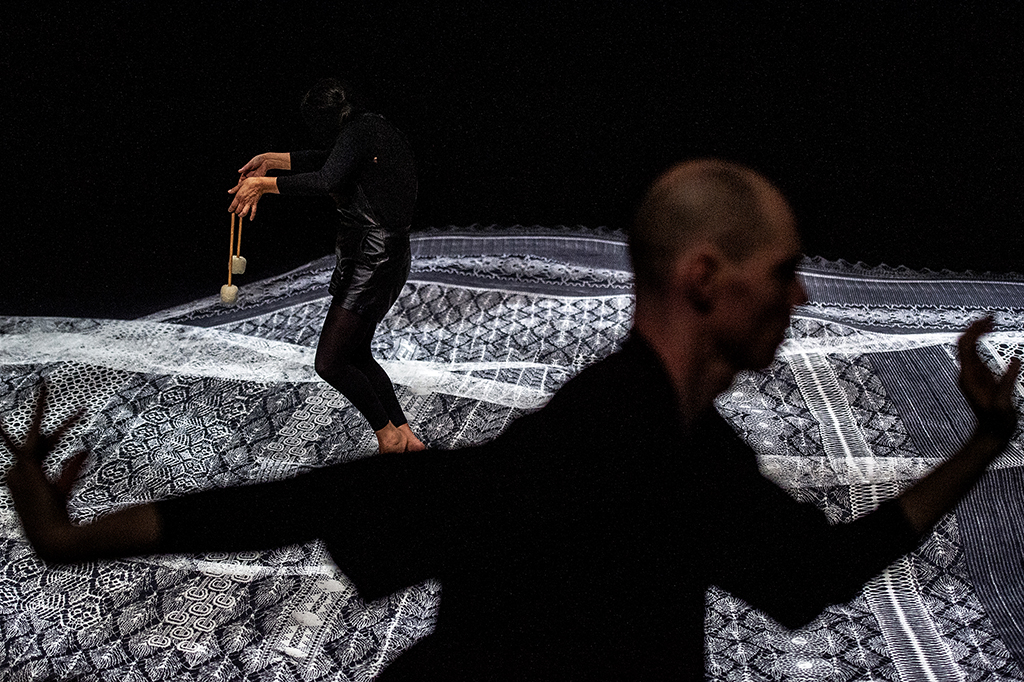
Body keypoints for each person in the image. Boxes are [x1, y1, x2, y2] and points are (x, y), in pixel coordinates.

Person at [4, 159, 1019, 680]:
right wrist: (69, 539)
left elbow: (813, 573)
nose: (800, 297)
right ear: (707, 278)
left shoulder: (690, 453)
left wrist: (979, 442)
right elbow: (335, 498)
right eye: (784, 271)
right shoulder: (609, 446)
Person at [228, 77, 425, 453]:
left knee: (330, 363)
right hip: (380, 255)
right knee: (357, 354)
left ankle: (389, 436)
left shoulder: (360, 132)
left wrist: (264, 185)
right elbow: (333, 160)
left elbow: (326, 178)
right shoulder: (370, 127)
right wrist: (273, 160)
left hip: (373, 259)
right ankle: (407, 439)